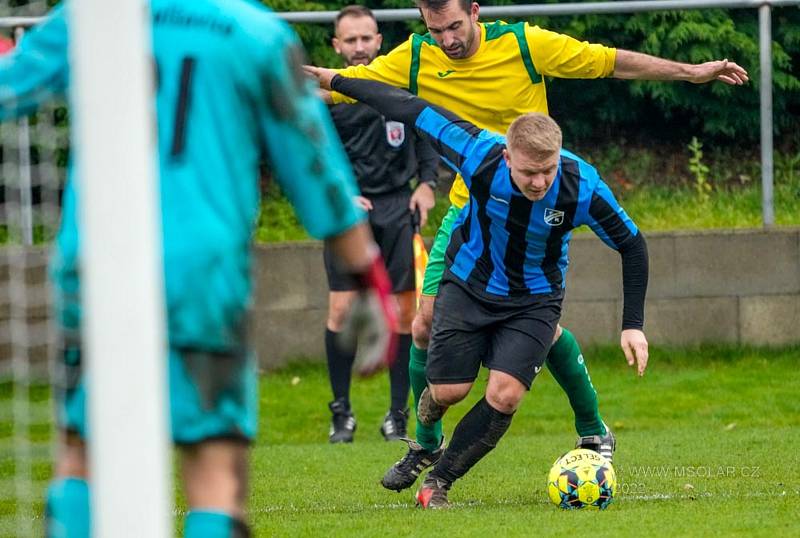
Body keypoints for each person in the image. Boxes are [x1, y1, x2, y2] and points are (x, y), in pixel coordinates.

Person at [307, 0, 747, 492]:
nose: (448, 40)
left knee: (534, 329)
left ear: (475, 12)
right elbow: (367, 92)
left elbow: (607, 61)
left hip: (538, 232)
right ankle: (426, 442)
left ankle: (588, 428)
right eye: (436, 31)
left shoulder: (524, 46)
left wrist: (690, 72)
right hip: (471, 214)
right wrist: (262, 83)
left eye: (455, 26)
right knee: (424, 323)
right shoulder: (419, 64)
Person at [0, 1, 395, 536]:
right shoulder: (254, 33)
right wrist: (368, 277)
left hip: (96, 263)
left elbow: (9, 87)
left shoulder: (93, 18)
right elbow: (314, 169)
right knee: (215, 471)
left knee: (85, 455)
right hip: (203, 271)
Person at [310, 70, 649, 508]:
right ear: (508, 158)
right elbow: (407, 107)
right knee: (447, 390)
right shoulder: (478, 153)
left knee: (504, 394)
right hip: (470, 284)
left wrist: (633, 325)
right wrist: (335, 80)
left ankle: (440, 481)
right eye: (529, 172)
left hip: (535, 298)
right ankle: (426, 442)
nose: (540, 183)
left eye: (547, 170)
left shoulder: (580, 184)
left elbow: (632, 244)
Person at [324, 5, 440, 444]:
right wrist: (339, 194)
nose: (358, 47)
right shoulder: (327, 98)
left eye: (365, 38)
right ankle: (342, 414)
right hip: (347, 216)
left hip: (397, 210)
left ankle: (397, 415)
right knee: (341, 309)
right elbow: (312, 156)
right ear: (337, 46)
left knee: (405, 315)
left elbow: (428, 136)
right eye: (349, 40)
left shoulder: (400, 89)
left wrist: (426, 184)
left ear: (378, 41)